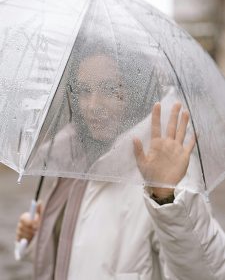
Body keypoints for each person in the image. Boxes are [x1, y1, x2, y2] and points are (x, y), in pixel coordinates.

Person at [16, 53, 225, 280]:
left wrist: (166, 200)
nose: (93, 105)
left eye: (109, 89)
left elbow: (205, 273)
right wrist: (42, 234)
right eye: (84, 90)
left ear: (139, 91)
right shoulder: (76, 157)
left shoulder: (165, 172)